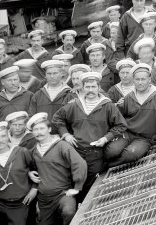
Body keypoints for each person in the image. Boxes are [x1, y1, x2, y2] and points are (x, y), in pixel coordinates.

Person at [52, 72, 127, 200]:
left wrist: (106, 138)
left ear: (99, 88)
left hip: (96, 151)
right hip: (77, 150)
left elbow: (121, 125)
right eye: (87, 87)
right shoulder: (74, 105)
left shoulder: (107, 106)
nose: (90, 90)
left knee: (92, 183)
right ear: (82, 88)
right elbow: (57, 118)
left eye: (93, 87)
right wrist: (65, 134)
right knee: (75, 180)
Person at [26, 112, 87, 225]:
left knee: (69, 212)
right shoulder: (33, 151)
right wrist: (29, 172)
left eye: (42, 128)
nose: (39, 132)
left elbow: (80, 164)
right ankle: (57, 224)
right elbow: (26, 166)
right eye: (35, 130)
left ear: (49, 129)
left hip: (63, 193)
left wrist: (77, 187)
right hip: (44, 199)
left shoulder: (62, 146)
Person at [107, 64, 156, 165]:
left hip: (144, 138)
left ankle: (109, 166)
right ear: (133, 80)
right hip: (127, 133)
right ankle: (103, 164)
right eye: (137, 79)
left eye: (143, 79)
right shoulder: (129, 97)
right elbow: (118, 117)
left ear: (149, 80)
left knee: (131, 154)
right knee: (111, 151)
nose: (140, 82)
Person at [0, 66, 34, 132]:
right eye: (9, 80)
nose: (13, 83)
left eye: (15, 80)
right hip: (4, 135)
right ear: (2, 82)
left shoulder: (29, 95)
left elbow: (35, 113)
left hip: (24, 134)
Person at [28, 60, 72, 131]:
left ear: (61, 73)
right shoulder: (38, 95)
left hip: (64, 134)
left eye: (55, 73)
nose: (52, 76)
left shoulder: (69, 93)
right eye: (49, 73)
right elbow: (31, 117)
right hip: (43, 134)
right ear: (45, 75)